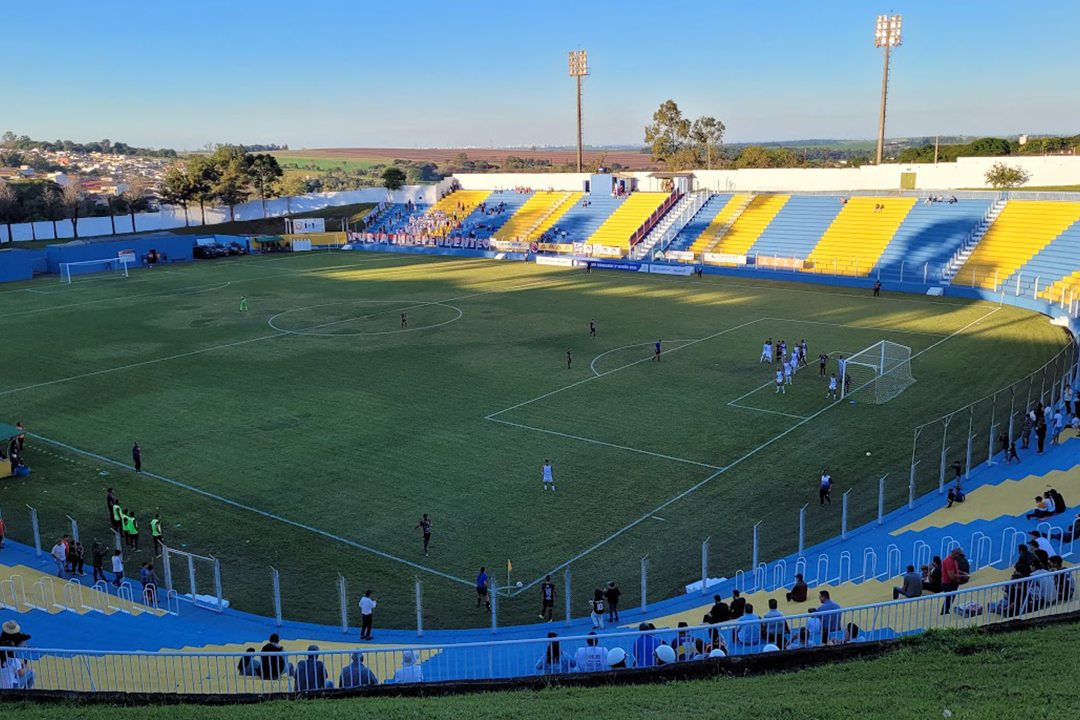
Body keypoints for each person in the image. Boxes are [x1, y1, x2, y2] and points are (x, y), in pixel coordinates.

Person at [940, 547, 969, 614]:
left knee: (950, 599)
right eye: (959, 555)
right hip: (948, 584)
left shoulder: (953, 560)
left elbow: (954, 570)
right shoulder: (949, 561)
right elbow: (952, 576)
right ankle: (944, 612)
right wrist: (964, 576)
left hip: (952, 583)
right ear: (955, 553)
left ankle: (945, 611)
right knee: (949, 599)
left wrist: (962, 573)